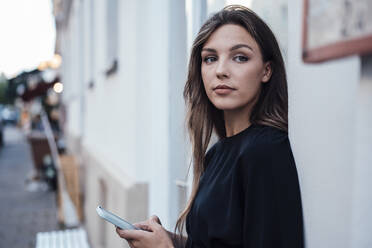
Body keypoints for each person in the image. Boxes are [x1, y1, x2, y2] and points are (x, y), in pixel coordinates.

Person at [116, 5, 304, 248]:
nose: (221, 71)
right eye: (210, 58)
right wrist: (169, 240)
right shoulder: (216, 153)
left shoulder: (265, 151)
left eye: (240, 57)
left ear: (266, 70)